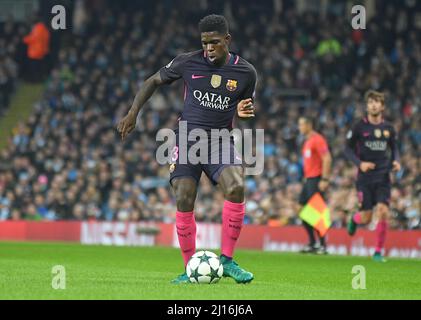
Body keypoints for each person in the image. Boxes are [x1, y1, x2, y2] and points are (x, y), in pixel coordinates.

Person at [117, 14, 257, 283]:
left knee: (237, 186)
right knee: (183, 195)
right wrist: (133, 113)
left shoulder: (246, 72)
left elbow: (246, 107)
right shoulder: (186, 61)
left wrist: (246, 111)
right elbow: (152, 81)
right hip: (187, 139)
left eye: (215, 42)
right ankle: (189, 268)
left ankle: (227, 261)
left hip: (220, 141)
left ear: (227, 40)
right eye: (205, 43)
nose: (209, 48)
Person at [345, 90, 401, 262]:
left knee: (383, 212)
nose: (374, 104)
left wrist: (396, 161)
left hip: (383, 176)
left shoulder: (389, 129)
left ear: (382, 106)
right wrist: (359, 164)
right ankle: (355, 219)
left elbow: (394, 148)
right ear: (367, 106)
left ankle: (378, 252)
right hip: (365, 178)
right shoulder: (358, 127)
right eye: (370, 102)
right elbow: (347, 149)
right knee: (367, 216)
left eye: (377, 102)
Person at [297, 116, 332, 254]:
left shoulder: (318, 139)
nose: (299, 128)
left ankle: (322, 245)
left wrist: (325, 179)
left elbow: (327, 158)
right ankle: (312, 243)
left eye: (301, 124)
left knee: (316, 212)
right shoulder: (307, 141)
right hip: (308, 180)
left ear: (309, 125)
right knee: (301, 209)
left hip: (317, 179)